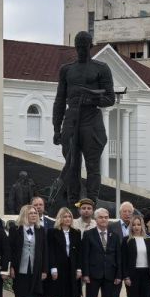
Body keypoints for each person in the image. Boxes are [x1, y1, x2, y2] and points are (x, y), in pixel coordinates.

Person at [52, 30, 116, 206]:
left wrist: (92, 99)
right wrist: (56, 128)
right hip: (71, 119)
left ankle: (91, 201)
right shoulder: (66, 70)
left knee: (92, 165)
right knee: (72, 163)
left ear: (91, 46)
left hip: (91, 119)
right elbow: (59, 100)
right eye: (78, 46)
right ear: (75, 47)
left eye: (84, 46)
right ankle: (73, 201)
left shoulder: (101, 68)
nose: (81, 50)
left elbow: (110, 98)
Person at [81, 207, 123, 297]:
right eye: (101, 217)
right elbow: (85, 256)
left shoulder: (114, 236)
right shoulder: (88, 234)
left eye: (106, 217)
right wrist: (85, 274)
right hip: (93, 274)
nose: (104, 220)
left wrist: (118, 275)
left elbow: (118, 257)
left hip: (110, 274)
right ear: (96, 219)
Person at [9, 205, 48, 297]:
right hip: (21, 269)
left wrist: (44, 269)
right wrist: (11, 267)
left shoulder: (41, 230)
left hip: (36, 269)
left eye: (35, 213)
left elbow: (44, 251)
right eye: (31, 213)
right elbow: (11, 250)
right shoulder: (16, 229)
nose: (34, 215)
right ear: (24, 214)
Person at [46, 207, 82, 297]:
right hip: (58, 268)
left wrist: (79, 268)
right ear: (60, 218)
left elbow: (79, 252)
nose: (67, 219)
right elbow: (50, 251)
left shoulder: (76, 232)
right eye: (65, 216)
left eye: (69, 217)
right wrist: (52, 268)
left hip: (71, 268)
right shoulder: (52, 232)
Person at [69, 197, 97, 297]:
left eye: (89, 208)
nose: (86, 211)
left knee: (92, 295)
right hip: (76, 263)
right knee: (75, 294)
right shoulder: (73, 223)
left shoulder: (96, 224)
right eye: (84, 208)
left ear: (93, 210)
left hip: (92, 264)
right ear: (79, 210)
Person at [31, 196, 56, 297]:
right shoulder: (27, 222)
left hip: (46, 264)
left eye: (41, 204)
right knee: (31, 296)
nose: (39, 207)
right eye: (36, 204)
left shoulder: (50, 223)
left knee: (44, 296)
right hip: (31, 264)